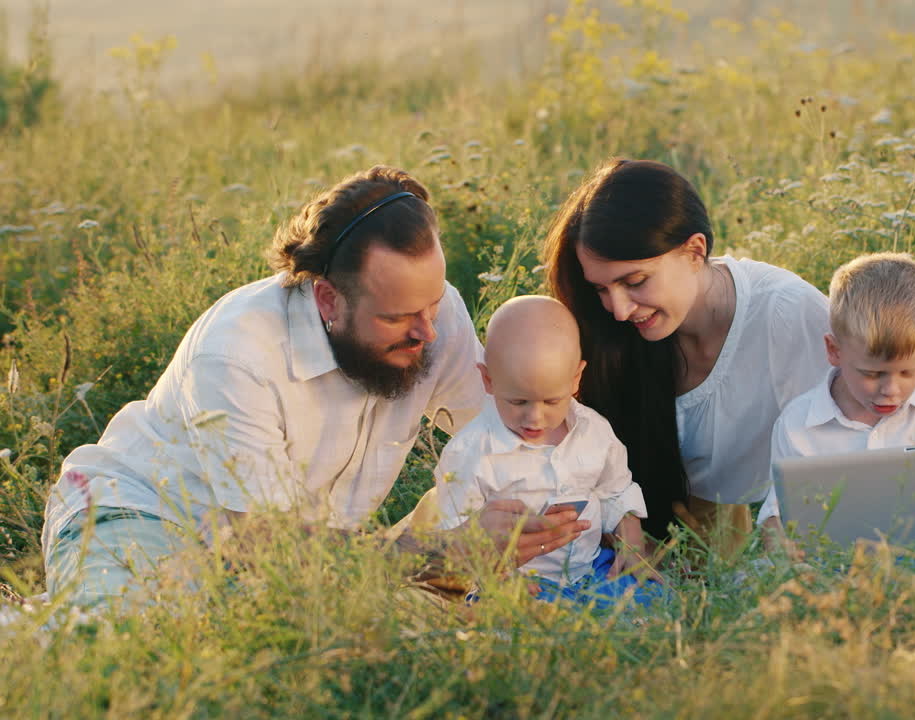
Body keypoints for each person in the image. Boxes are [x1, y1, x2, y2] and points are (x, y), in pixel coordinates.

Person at [41, 165, 588, 606]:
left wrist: (557, 520)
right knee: (138, 650)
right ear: (329, 300)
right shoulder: (237, 351)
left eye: (434, 304)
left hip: (308, 557)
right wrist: (445, 552)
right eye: (398, 317)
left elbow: (506, 437)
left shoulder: (432, 317)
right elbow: (262, 545)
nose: (428, 330)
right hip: (142, 517)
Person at [543, 158, 830, 555]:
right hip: (631, 516)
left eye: (635, 281)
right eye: (601, 289)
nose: (619, 310)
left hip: (769, 520)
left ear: (695, 251)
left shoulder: (787, 313)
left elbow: (879, 414)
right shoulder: (609, 329)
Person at [756, 252, 915, 552]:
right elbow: (776, 516)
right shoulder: (798, 424)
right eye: (872, 373)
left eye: (908, 372)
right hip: (830, 573)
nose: (891, 389)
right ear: (834, 350)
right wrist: (781, 547)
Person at [433, 295, 661, 606]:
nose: (535, 418)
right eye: (518, 402)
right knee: (520, 626)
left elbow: (615, 489)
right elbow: (458, 532)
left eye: (552, 401)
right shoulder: (470, 453)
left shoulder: (592, 431)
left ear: (576, 379)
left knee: (653, 602)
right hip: (522, 581)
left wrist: (630, 539)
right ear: (488, 379)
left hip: (592, 568)